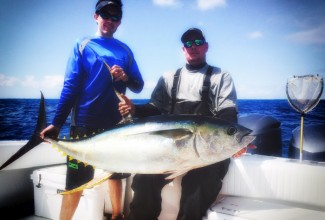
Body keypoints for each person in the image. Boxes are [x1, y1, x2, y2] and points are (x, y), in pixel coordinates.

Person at [119, 27, 238, 220]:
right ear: (183, 49)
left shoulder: (220, 76)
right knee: (143, 181)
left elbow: (228, 114)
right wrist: (135, 110)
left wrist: (234, 141)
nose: (193, 47)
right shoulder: (168, 78)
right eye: (188, 44)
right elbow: (155, 109)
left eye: (198, 43)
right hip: (173, 151)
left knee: (196, 189)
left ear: (206, 47)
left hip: (207, 152)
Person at [40, 1, 144, 220]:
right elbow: (71, 86)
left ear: (120, 22)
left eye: (115, 17)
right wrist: (57, 123)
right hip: (84, 125)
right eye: (105, 14)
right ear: (96, 16)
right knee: (76, 182)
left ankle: (117, 216)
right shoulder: (82, 44)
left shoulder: (125, 50)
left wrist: (125, 76)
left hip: (118, 125)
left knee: (116, 175)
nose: (110, 20)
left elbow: (138, 85)